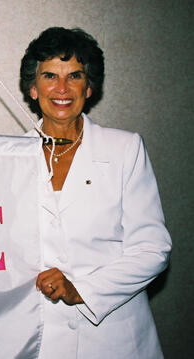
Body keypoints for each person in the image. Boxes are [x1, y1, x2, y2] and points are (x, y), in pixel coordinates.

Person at [20, 27, 171, 358]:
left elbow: (152, 249)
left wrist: (82, 291)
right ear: (33, 88)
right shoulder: (7, 156)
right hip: (40, 339)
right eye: (49, 76)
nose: (62, 88)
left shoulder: (124, 148)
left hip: (115, 336)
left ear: (89, 88)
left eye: (74, 75)